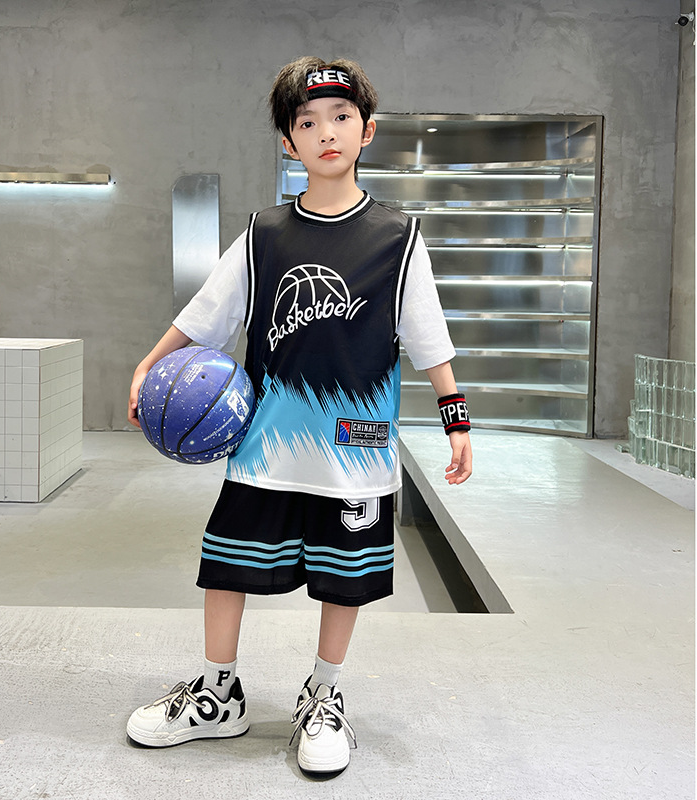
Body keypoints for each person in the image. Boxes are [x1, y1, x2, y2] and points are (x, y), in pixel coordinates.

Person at [125, 56, 473, 777]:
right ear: (289, 142)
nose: (327, 133)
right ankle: (218, 694)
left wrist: (456, 417)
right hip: (265, 449)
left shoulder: (398, 237)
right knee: (225, 566)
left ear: (367, 130)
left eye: (341, 118)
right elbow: (205, 315)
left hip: (355, 450)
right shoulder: (263, 236)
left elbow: (428, 337)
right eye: (308, 123)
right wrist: (148, 364)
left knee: (345, 580)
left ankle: (324, 695)